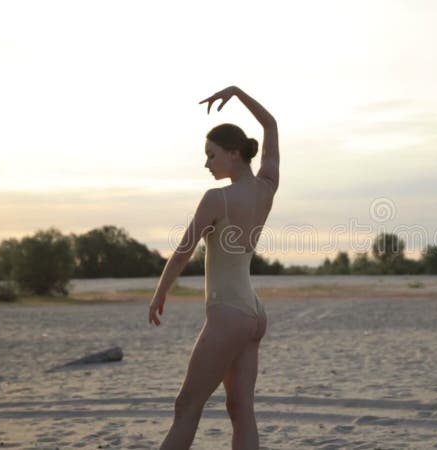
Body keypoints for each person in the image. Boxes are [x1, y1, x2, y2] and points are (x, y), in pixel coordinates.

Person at [148, 85, 279, 450]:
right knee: (241, 410)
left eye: (211, 155)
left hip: (228, 313)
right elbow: (270, 126)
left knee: (186, 405)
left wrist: (159, 293)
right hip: (253, 313)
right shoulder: (267, 186)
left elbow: (182, 252)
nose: (206, 163)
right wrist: (238, 93)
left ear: (234, 154)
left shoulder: (217, 199)